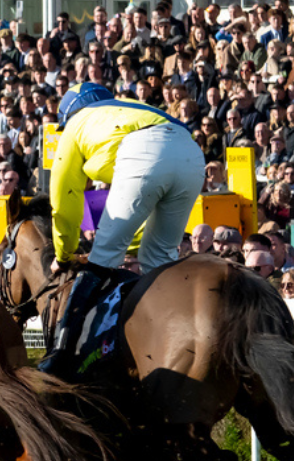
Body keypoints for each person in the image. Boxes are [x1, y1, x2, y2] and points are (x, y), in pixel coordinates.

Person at [45, 82, 203, 375]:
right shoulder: (129, 109)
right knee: (159, 260)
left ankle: (61, 356)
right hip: (191, 152)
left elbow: (64, 199)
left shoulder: (75, 125)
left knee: (100, 261)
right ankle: (184, 344)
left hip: (146, 151)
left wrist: (64, 253)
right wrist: (129, 247)